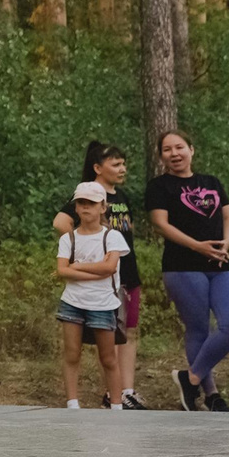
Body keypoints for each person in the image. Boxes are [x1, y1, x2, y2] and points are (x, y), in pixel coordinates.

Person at [145, 131, 229, 412]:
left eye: (180, 147)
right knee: (199, 329)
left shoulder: (210, 182)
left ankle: (188, 379)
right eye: (167, 149)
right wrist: (197, 247)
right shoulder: (159, 186)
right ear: (161, 156)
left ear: (192, 149)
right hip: (182, 265)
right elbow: (160, 224)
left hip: (220, 263)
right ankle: (211, 395)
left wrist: (226, 242)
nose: (174, 153)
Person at [52, 142, 148, 405]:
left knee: (126, 331)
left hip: (125, 272)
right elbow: (61, 222)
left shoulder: (121, 198)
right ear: (97, 168)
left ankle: (124, 392)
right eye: (115, 164)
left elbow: (128, 232)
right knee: (90, 346)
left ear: (103, 207)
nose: (122, 169)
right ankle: (108, 395)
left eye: (123, 164)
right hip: (88, 291)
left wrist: (88, 264)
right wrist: (81, 249)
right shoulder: (85, 197)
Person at [54, 182, 129, 409]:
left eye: (92, 203)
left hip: (102, 303)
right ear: (75, 207)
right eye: (81, 203)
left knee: (108, 357)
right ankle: (72, 404)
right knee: (72, 354)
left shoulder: (112, 237)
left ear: (102, 207)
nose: (86, 208)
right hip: (73, 302)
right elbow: (62, 270)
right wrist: (91, 271)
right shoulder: (69, 239)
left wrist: (77, 268)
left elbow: (110, 268)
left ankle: (117, 405)